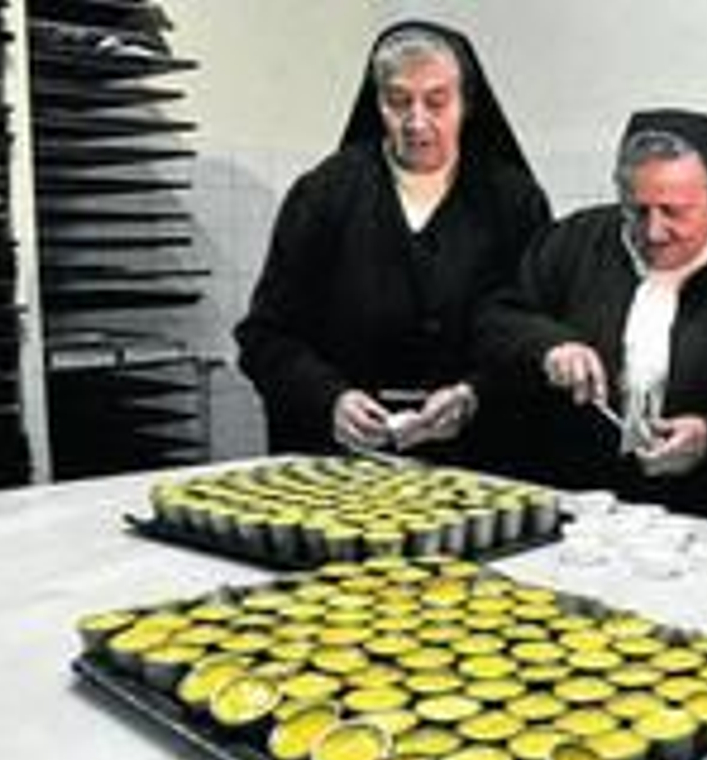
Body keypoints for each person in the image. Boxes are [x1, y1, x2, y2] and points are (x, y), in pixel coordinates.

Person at [479, 108, 707, 525]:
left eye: (674, 211)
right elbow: (497, 319)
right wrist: (550, 345)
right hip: (575, 509)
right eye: (637, 210)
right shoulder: (575, 240)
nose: (653, 232)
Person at [235, 21, 550, 461]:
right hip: (347, 461)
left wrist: (473, 394)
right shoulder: (324, 194)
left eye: (436, 101)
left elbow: (537, 337)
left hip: (476, 459)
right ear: (377, 103)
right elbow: (265, 337)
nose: (416, 121)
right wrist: (330, 399)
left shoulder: (514, 202)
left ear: (466, 104)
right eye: (399, 101)